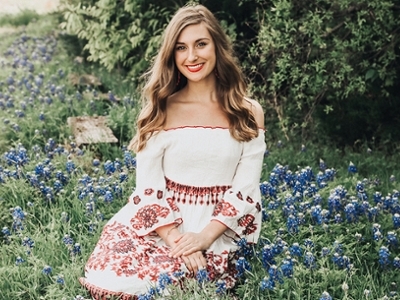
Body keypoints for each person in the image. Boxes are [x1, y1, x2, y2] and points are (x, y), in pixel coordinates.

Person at [80, 4, 266, 299]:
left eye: (201, 44)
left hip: (218, 226)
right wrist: (179, 241)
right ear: (172, 55)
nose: (191, 56)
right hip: (163, 223)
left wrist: (203, 238)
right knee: (116, 283)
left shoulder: (248, 111)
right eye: (181, 48)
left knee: (184, 287)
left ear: (217, 46)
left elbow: (245, 189)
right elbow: (148, 187)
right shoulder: (160, 110)